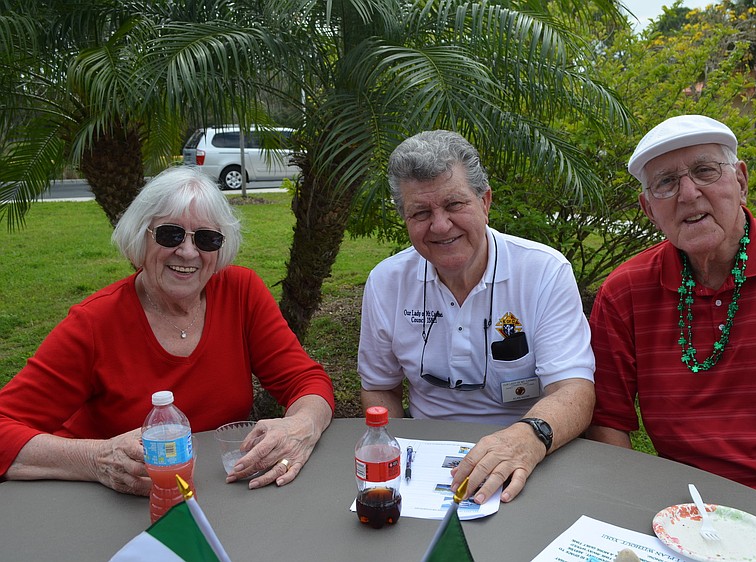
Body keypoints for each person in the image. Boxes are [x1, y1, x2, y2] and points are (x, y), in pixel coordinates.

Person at [0, 166, 334, 494]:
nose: (188, 252)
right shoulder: (95, 322)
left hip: (215, 494)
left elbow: (305, 381)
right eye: (170, 234)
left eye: (206, 239)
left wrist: (300, 426)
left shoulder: (240, 292)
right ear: (140, 237)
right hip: (107, 501)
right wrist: (97, 458)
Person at [587, 114, 756, 519]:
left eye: (705, 171)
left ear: (741, 181)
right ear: (648, 209)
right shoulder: (625, 292)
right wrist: (642, 517)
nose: (688, 194)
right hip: (682, 516)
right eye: (666, 183)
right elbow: (607, 422)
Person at [358, 130, 595, 505]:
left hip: (531, 451)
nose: (439, 225)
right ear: (405, 218)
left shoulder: (543, 271)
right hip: (426, 460)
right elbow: (380, 386)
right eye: (421, 212)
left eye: (454, 205)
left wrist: (524, 440)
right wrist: (400, 458)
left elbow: (574, 390)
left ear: (485, 202)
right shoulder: (386, 282)